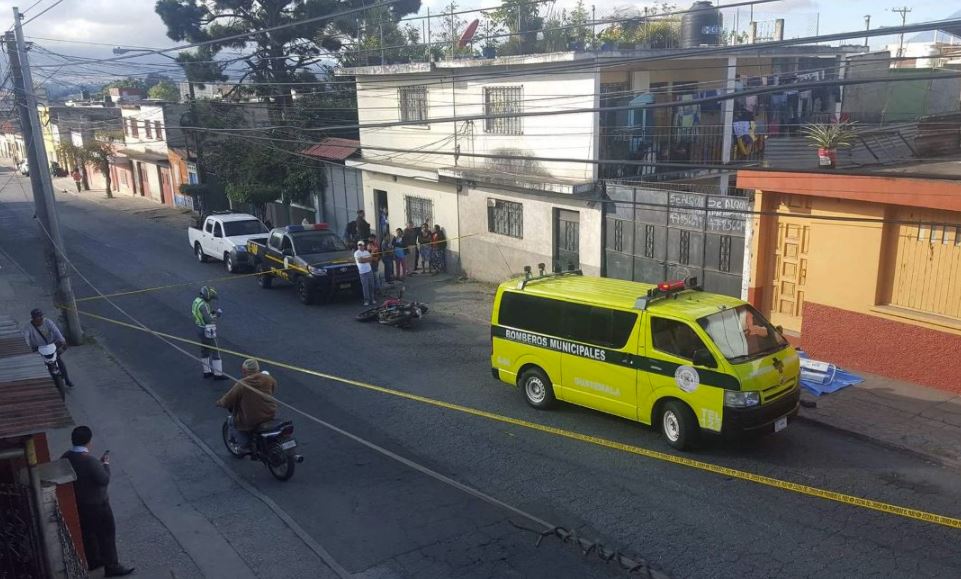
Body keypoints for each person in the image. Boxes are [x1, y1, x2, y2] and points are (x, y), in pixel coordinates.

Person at [62, 426, 135, 577]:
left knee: (89, 534)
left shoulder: (66, 457)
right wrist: (106, 465)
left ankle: (94, 560)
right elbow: (103, 479)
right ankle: (112, 566)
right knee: (106, 536)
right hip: (98, 506)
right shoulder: (90, 461)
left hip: (80, 504)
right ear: (89, 442)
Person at [216, 359, 277, 453]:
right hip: (269, 413)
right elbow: (273, 388)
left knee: (232, 422)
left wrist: (220, 402)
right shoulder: (268, 379)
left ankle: (244, 446)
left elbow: (228, 399)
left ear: (244, 371)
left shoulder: (241, 384)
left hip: (251, 418)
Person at [24, 308, 73, 388]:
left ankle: (67, 380)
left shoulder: (48, 322)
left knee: (59, 361)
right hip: (38, 349)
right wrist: (27, 348)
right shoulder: (28, 327)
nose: (40, 319)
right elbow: (26, 338)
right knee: (38, 366)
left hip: (51, 346)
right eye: (38, 318)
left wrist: (62, 340)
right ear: (33, 319)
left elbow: (56, 331)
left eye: (41, 317)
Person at [192, 286, 226, 380]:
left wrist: (211, 312)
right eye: (210, 298)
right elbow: (209, 320)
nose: (210, 300)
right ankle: (218, 374)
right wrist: (217, 315)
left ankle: (206, 371)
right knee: (216, 351)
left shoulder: (196, 301)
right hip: (207, 329)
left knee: (205, 349)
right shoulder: (204, 305)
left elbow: (202, 314)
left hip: (199, 327)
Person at [354, 240, 374, 306]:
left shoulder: (367, 252)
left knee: (371, 285)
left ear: (364, 245)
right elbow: (360, 261)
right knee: (365, 287)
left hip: (369, 270)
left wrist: (365, 259)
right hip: (362, 272)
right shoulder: (356, 253)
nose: (360, 246)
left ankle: (372, 299)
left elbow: (371, 259)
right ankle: (366, 300)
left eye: (361, 245)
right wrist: (367, 259)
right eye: (359, 245)